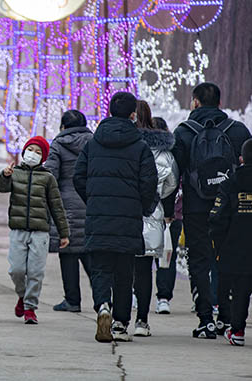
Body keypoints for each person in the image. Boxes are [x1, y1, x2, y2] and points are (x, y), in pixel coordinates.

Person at [73, 91, 158, 343]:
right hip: (128, 219)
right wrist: (141, 207)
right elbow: (149, 183)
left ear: (109, 111)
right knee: (124, 272)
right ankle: (120, 324)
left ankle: (102, 307)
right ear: (134, 114)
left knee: (100, 269)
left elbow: (78, 177)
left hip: (99, 217)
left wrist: (94, 200)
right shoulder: (141, 147)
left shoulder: (93, 143)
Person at [171, 82, 252, 338]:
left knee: (198, 260)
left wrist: (168, 207)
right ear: (219, 102)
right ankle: (227, 317)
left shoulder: (184, 132)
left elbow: (174, 174)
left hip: (196, 207)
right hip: (231, 208)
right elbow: (249, 168)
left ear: (195, 101)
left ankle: (205, 318)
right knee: (228, 259)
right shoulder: (237, 130)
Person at [0, 136, 70, 325]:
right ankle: (22, 295)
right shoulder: (15, 173)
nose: (33, 155)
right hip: (18, 230)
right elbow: (1, 188)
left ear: (43, 157)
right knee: (16, 270)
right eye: (31, 150)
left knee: (36, 272)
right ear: (24, 152)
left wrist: (64, 233)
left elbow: (57, 206)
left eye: (38, 152)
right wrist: (5, 175)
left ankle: (30, 308)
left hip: (40, 232)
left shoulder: (47, 178)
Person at [210, 139, 252, 349]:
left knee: (239, 290)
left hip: (236, 247)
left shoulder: (230, 183)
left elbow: (217, 218)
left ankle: (237, 331)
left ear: (241, 159)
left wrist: (219, 245)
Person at [132, 100, 179, 337]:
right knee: (143, 270)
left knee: (119, 268)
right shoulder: (162, 151)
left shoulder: (118, 145)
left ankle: (117, 316)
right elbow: (171, 183)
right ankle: (141, 320)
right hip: (152, 214)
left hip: (121, 214)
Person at [44, 110, 94, 313]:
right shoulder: (95, 142)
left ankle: (72, 300)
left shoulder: (58, 144)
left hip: (65, 204)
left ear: (63, 126)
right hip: (90, 201)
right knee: (90, 253)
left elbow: (51, 176)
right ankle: (104, 298)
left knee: (68, 253)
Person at [153, 116, 183, 315]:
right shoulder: (173, 153)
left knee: (141, 256)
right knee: (167, 257)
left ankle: (137, 295)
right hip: (171, 215)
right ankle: (164, 298)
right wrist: (171, 212)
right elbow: (174, 184)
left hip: (146, 213)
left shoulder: (139, 150)